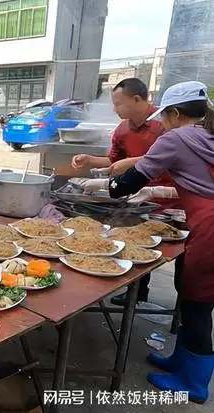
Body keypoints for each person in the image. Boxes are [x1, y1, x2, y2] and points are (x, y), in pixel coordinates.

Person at [108, 81, 214, 404]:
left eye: (165, 115)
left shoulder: (178, 137)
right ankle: (180, 362)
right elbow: (198, 183)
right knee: (194, 298)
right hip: (207, 223)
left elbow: (138, 174)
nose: (162, 122)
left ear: (176, 113)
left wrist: (113, 189)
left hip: (209, 230)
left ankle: (193, 384)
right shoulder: (207, 137)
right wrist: (156, 192)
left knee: (197, 306)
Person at [74, 78, 180, 306]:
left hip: (169, 201)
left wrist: (131, 163)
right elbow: (115, 161)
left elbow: (171, 157)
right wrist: (89, 160)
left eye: (119, 104)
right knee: (135, 243)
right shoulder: (122, 129)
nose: (115, 109)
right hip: (133, 195)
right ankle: (138, 291)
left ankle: (184, 306)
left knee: (174, 253)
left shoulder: (164, 125)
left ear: (137, 99)